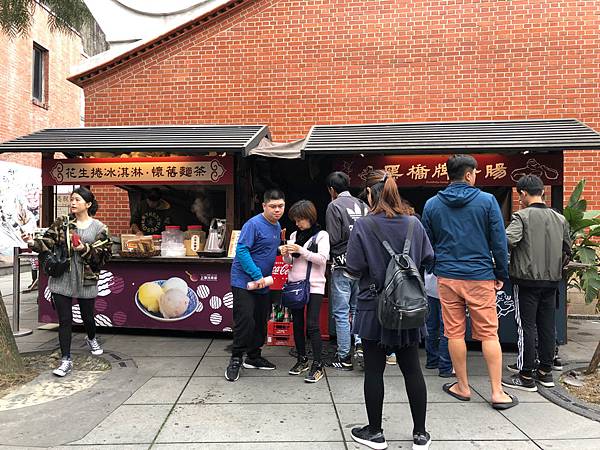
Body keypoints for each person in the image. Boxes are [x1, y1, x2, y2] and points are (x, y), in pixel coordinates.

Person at [345, 170, 434, 450]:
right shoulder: (414, 223)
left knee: (374, 371)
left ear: (370, 194)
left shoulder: (363, 226)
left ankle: (375, 432)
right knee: (412, 369)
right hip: (408, 305)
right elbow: (428, 258)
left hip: (374, 307)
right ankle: (420, 434)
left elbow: (354, 267)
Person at [422, 154, 518, 410]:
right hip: (480, 275)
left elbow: (427, 243)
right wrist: (501, 273)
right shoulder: (487, 201)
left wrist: (435, 268)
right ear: (468, 174)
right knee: (489, 333)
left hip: (447, 276)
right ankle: (497, 392)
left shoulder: (432, 204)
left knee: (453, 332)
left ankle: (462, 386)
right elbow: (498, 241)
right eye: (475, 173)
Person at [24, 187, 111, 377]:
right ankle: (66, 360)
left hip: (86, 279)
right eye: (72, 199)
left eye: (77, 199)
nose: (73, 202)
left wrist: (83, 248)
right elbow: (47, 242)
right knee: (64, 320)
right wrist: (32, 242)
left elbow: (103, 256)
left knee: (88, 317)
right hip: (62, 277)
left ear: (88, 204)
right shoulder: (63, 223)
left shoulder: (100, 228)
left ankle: (91, 338)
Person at [501, 175, 571, 392]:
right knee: (547, 325)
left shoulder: (522, 217)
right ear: (542, 192)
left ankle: (525, 375)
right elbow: (567, 250)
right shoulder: (560, 218)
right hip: (551, 281)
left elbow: (507, 240)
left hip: (526, 281)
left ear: (523, 194)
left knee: (526, 327)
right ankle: (545, 372)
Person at [226, 189, 285, 382]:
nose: (277, 210)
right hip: (244, 281)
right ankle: (236, 358)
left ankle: (253, 356)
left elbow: (265, 249)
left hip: (262, 282)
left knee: (260, 320)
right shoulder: (252, 224)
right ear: (264, 206)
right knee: (245, 319)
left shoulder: (277, 226)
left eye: (281, 206)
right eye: (273, 206)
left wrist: (280, 250)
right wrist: (257, 274)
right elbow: (242, 251)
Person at [281, 200, 330, 383]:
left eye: (299, 219)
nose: (297, 223)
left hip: (315, 285)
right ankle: (302, 359)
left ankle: (318, 364)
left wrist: (301, 250)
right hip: (295, 284)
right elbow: (290, 262)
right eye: (295, 220)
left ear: (309, 217)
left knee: (312, 325)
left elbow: (322, 259)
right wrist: (286, 253)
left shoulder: (321, 235)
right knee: (298, 324)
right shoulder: (295, 234)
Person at [325, 171, 369, 370]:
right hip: (363, 264)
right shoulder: (364, 205)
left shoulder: (334, 206)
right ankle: (360, 346)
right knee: (357, 309)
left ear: (331, 190)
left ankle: (344, 356)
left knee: (342, 313)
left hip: (342, 264)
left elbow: (334, 238)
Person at [424, 270, 454, 378]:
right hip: (448, 284)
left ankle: (432, 360)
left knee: (431, 327)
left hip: (430, 284)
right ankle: (445, 367)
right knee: (447, 328)